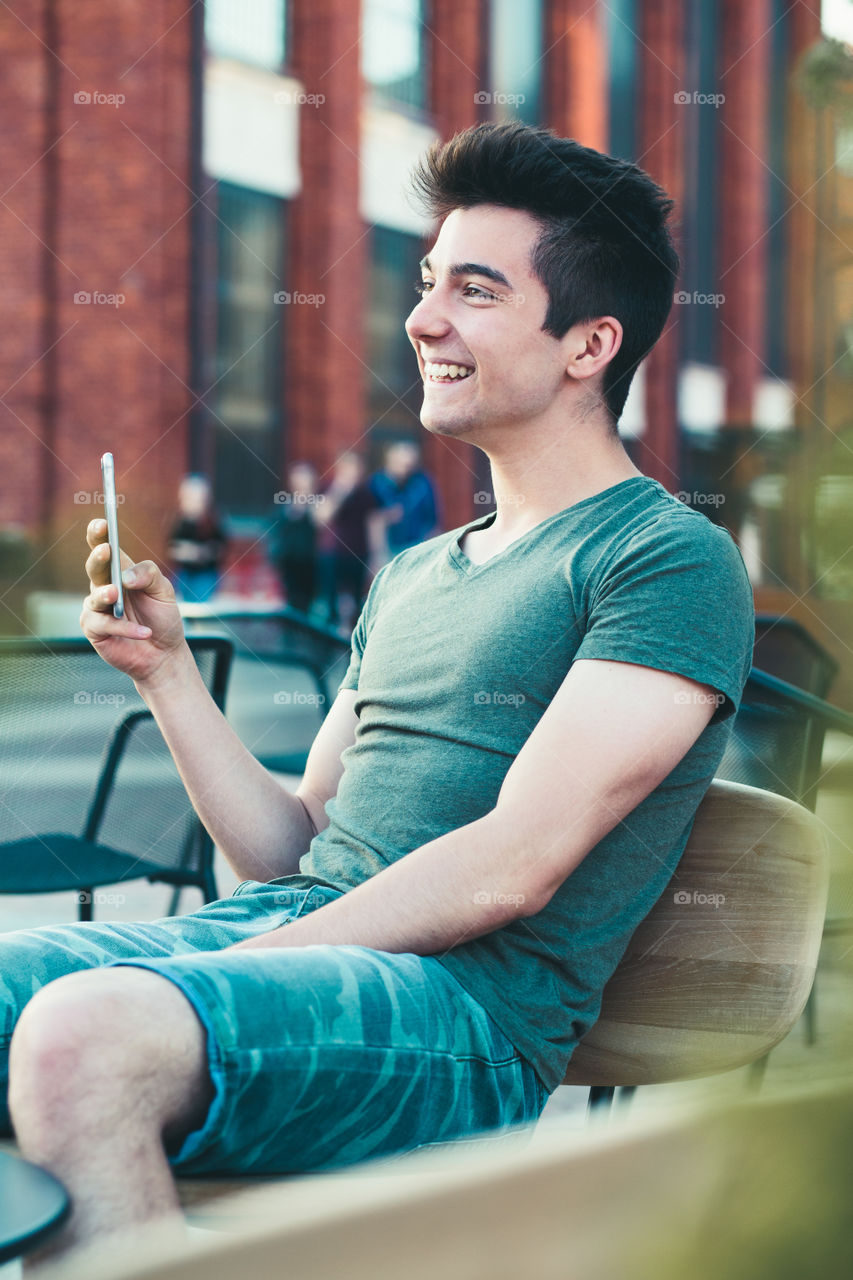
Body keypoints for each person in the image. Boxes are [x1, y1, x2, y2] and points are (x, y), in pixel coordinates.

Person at [2, 120, 754, 1261]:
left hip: (463, 1020)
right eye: (426, 282)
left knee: (84, 1037)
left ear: (589, 344)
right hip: (298, 944)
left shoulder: (662, 559)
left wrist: (231, 965)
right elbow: (294, 847)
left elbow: (513, 862)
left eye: (475, 290)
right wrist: (167, 673)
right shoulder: (412, 573)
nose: (422, 318)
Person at [315, 451, 382, 628]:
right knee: (331, 602)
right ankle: (330, 633)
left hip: (359, 553)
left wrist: (376, 555)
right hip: (332, 553)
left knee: (357, 603)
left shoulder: (366, 493)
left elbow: (373, 525)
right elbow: (322, 517)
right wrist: (341, 491)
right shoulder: (328, 488)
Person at [370, 439, 439, 560]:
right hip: (387, 550)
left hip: (418, 547)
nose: (406, 470)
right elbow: (371, 520)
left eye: (410, 465)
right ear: (390, 460)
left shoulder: (423, 482)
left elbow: (433, 519)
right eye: (402, 464)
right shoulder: (376, 483)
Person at [167, 474, 227, 605]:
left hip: (205, 575)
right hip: (184, 574)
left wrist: (200, 553)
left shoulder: (212, 521)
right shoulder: (179, 521)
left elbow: (220, 549)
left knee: (201, 605)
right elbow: (171, 547)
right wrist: (184, 552)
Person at [271, 461, 320, 614]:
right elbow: (277, 533)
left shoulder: (317, 506)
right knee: (291, 606)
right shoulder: (285, 507)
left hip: (313, 566)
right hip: (289, 566)